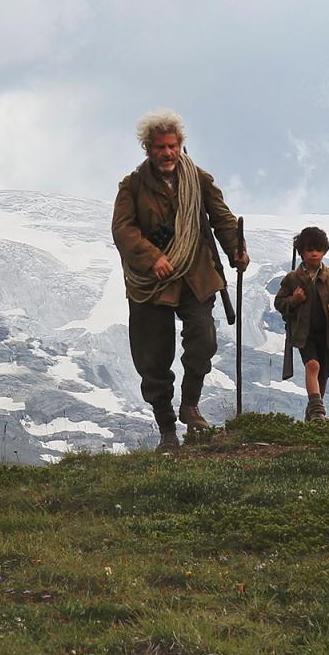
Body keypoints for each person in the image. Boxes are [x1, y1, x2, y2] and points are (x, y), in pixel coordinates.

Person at [111, 109, 248, 453]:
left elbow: (222, 218)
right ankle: (167, 430)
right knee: (153, 358)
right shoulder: (132, 186)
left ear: (180, 145)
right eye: (160, 147)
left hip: (195, 274)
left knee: (204, 337)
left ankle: (190, 404)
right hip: (151, 282)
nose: (167, 153)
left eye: (172, 146)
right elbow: (123, 230)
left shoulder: (197, 179)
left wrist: (236, 250)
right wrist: (151, 256)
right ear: (148, 149)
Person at [273, 226, 329, 421]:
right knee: (313, 366)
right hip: (304, 333)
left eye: (318, 249)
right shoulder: (292, 279)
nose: (314, 253)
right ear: (301, 252)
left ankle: (313, 413)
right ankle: (318, 410)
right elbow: (279, 303)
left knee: (323, 375)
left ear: (325, 251)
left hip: (328, 334)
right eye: (310, 250)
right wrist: (294, 300)